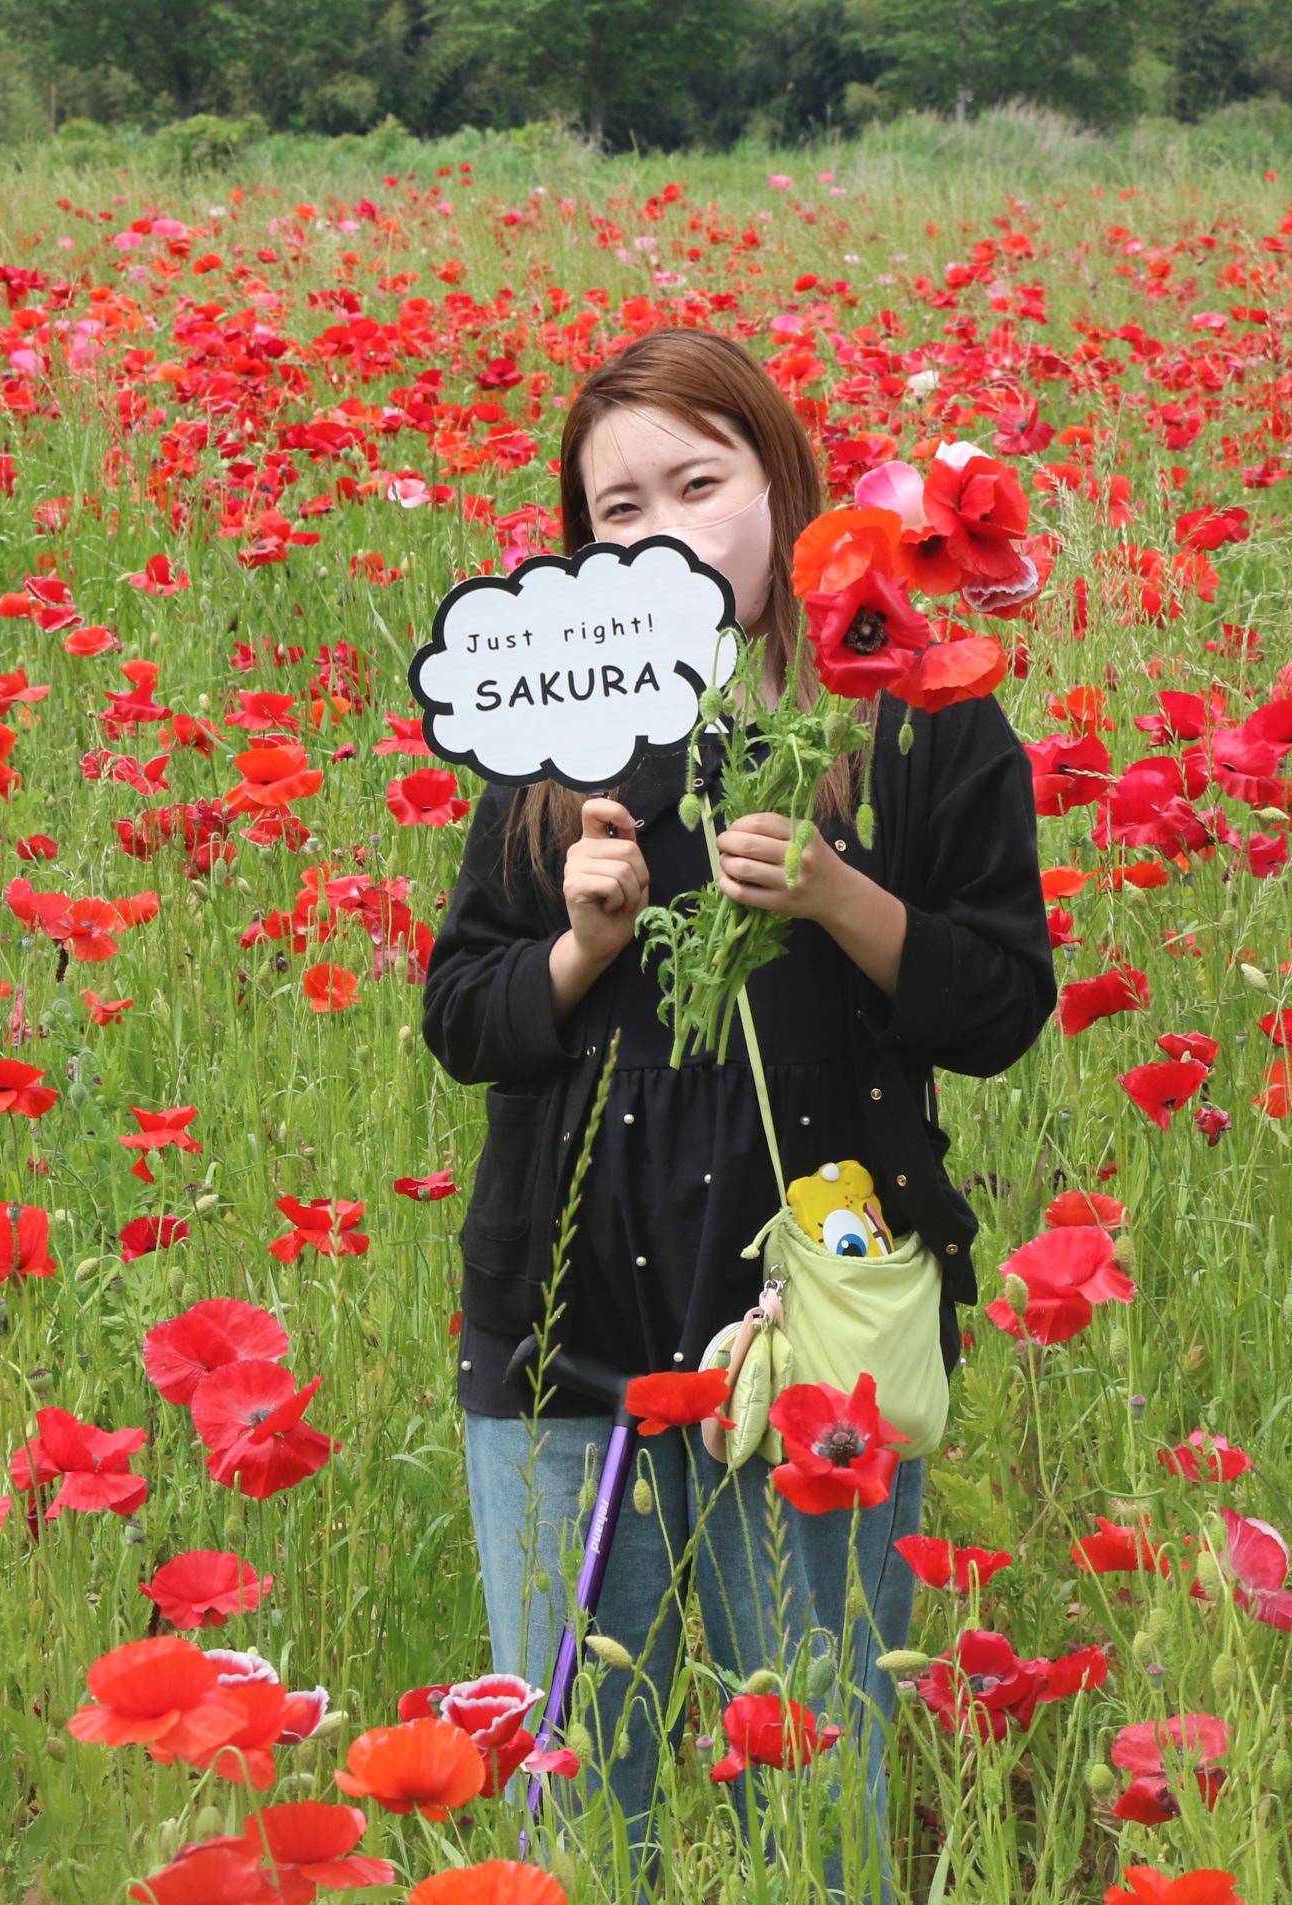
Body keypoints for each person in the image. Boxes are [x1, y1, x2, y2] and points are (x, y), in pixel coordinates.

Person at [421, 327, 1057, 1900]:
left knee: (818, 1793)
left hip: (812, 1332)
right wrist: (577, 943)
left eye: (700, 484)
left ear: (786, 488)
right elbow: (460, 1012)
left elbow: (998, 1002)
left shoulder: (917, 714)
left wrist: (840, 895)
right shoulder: (549, 740)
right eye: (618, 511)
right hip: (565, 1334)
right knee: (578, 1796)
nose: (665, 531)